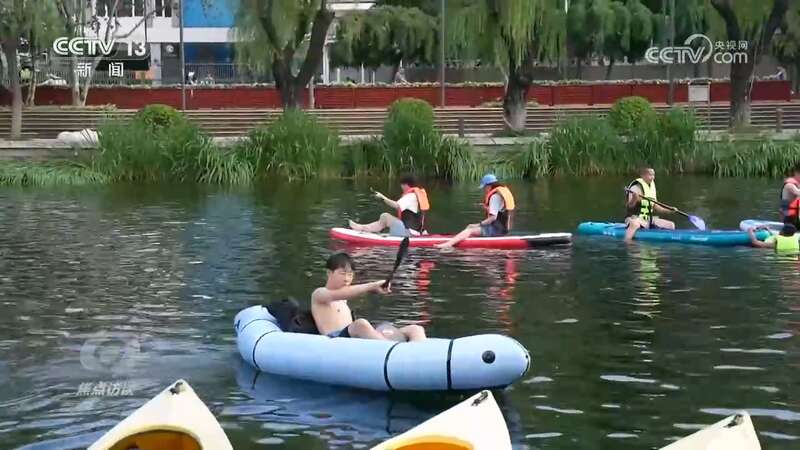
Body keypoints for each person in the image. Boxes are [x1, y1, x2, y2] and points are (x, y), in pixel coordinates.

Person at [311, 253, 426, 341]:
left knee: (415, 329)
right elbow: (342, 294)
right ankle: (390, 350)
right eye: (342, 273)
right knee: (360, 324)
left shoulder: (344, 297)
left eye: (350, 274)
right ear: (329, 273)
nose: (347, 279)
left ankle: (418, 354)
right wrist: (372, 286)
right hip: (334, 341)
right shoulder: (319, 294)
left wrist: (375, 289)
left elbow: (347, 292)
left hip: (351, 337)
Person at [435, 174, 515, 249]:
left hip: (496, 230)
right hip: (501, 228)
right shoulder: (498, 195)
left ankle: (448, 244)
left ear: (489, 186)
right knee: (470, 227)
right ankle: (459, 238)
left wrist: (478, 224)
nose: (484, 190)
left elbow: (493, 218)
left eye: (484, 187)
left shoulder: (494, 197)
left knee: (470, 229)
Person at [349, 174, 430, 237]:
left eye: (401, 185)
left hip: (408, 233)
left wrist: (382, 197)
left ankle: (362, 228)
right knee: (384, 218)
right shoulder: (416, 195)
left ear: (406, 185)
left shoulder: (410, 196)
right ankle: (363, 228)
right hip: (414, 231)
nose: (401, 187)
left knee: (385, 216)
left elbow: (396, 205)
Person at [624, 167, 677, 242]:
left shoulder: (651, 188)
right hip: (634, 218)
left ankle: (667, 242)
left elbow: (656, 207)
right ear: (642, 176)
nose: (652, 177)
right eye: (650, 175)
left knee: (671, 225)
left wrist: (669, 210)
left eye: (653, 175)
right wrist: (634, 199)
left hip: (648, 219)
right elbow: (629, 206)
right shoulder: (635, 188)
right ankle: (627, 241)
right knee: (635, 223)